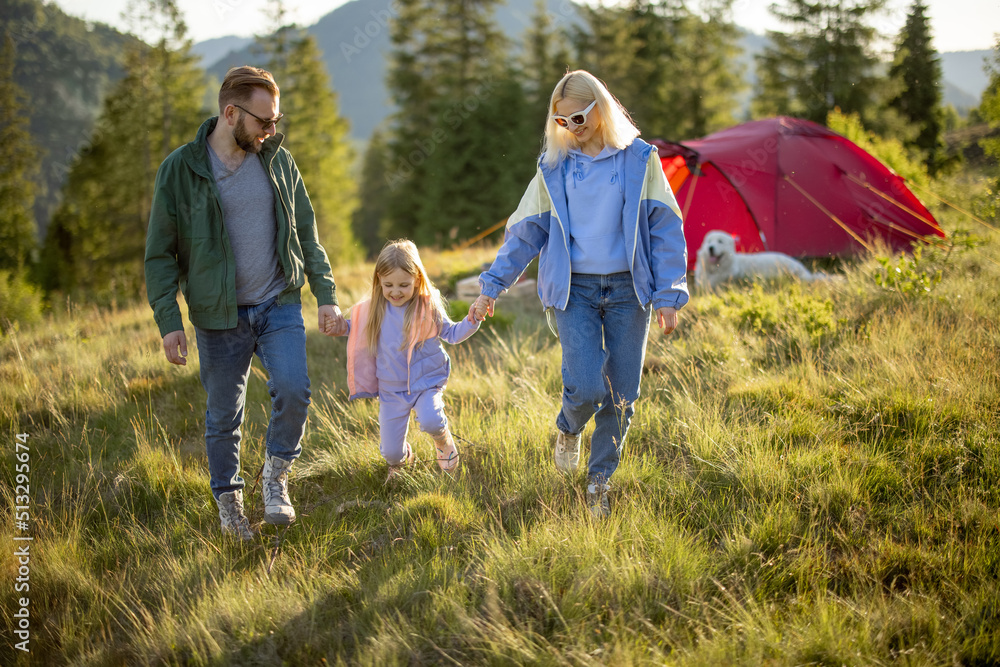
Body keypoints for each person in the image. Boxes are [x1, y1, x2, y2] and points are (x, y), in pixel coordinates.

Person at [470, 70, 688, 518]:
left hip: (630, 291)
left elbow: (665, 227)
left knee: (623, 394)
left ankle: (599, 480)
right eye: (562, 121)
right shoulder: (553, 168)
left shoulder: (640, 160)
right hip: (575, 292)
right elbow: (524, 234)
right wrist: (491, 287)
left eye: (579, 116)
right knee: (588, 386)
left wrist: (669, 292)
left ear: (601, 107)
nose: (572, 127)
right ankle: (569, 426)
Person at [144, 66, 348, 540]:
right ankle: (230, 505)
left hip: (277, 303)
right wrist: (169, 321)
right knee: (222, 417)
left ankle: (275, 478)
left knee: (295, 390)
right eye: (263, 121)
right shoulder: (180, 170)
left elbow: (307, 233)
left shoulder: (277, 160)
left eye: (276, 121)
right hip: (219, 317)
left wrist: (326, 297)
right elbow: (160, 254)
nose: (270, 131)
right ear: (231, 113)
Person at [329, 239, 480, 480]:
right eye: (388, 284)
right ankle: (401, 461)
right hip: (391, 390)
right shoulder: (372, 310)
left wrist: (473, 320)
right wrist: (338, 328)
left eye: (404, 285)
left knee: (431, 420)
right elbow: (354, 328)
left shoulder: (426, 307)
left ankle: (442, 439)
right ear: (378, 279)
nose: (395, 291)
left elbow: (452, 333)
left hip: (425, 383)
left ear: (417, 280)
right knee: (390, 453)